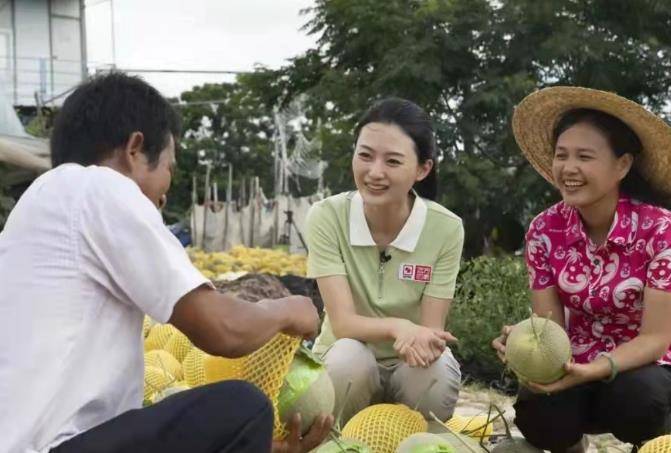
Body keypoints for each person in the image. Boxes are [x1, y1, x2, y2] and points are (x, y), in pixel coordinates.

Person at [0, 72, 332, 453]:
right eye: (169, 168)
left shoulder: (37, 209)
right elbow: (222, 329)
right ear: (135, 149)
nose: (162, 196)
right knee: (242, 407)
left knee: (233, 423)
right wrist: (286, 310)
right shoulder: (100, 188)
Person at [492, 87, 671, 453]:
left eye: (584, 157)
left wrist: (598, 368)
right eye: (562, 155)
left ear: (622, 165)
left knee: (640, 397)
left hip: (649, 368)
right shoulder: (544, 230)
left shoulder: (661, 229)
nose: (568, 168)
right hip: (576, 365)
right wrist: (525, 341)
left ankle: (655, 445)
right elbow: (551, 327)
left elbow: (656, 339)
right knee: (537, 414)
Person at [304, 98, 464, 424]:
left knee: (436, 372)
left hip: (408, 364)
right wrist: (399, 326)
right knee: (349, 358)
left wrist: (416, 338)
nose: (374, 172)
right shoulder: (327, 216)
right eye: (365, 156)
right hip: (345, 358)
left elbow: (431, 330)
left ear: (423, 169)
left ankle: (412, 439)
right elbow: (344, 323)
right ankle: (337, 440)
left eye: (392, 161)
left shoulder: (446, 228)